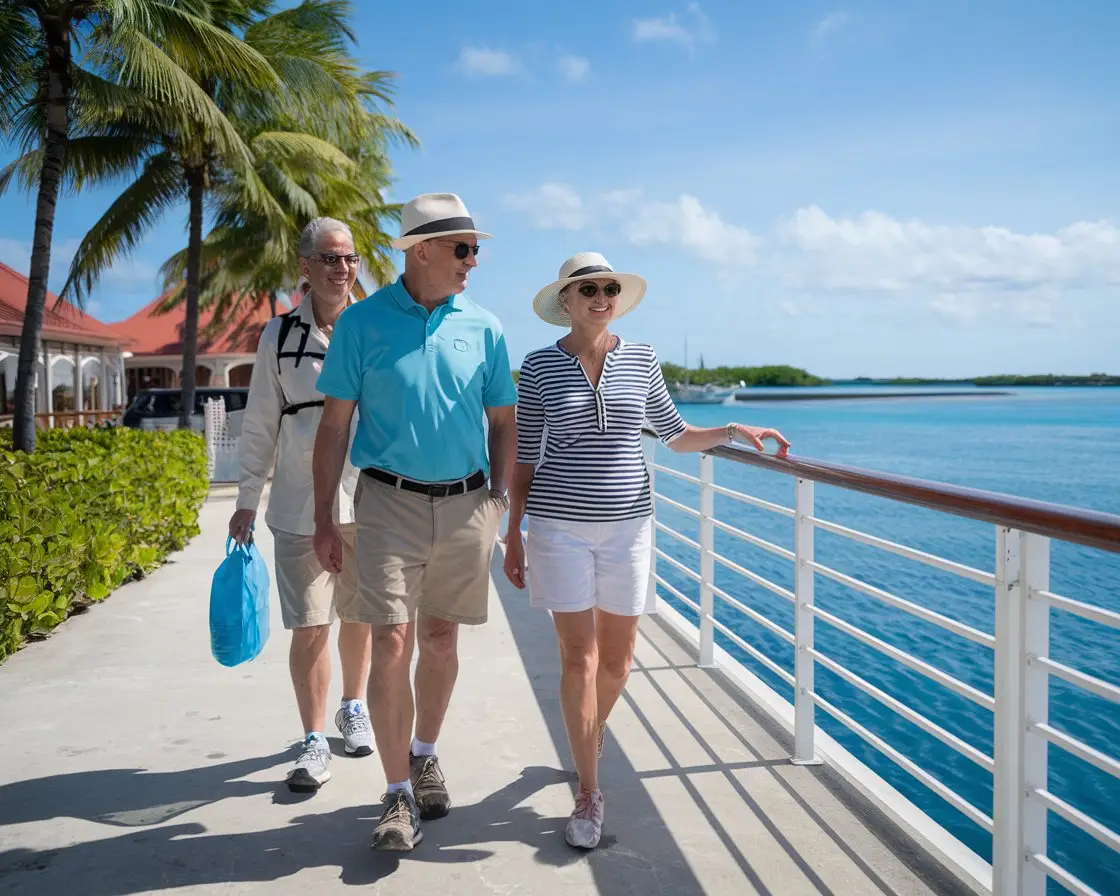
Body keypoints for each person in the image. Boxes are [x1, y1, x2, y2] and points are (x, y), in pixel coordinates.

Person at [502, 252, 790, 850]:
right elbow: (524, 457)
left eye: (609, 288)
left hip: (630, 526)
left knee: (618, 662)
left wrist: (736, 431)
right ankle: (588, 788)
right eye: (588, 289)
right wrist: (514, 533)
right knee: (578, 660)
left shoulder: (642, 360)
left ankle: (590, 732)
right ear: (567, 301)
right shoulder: (537, 368)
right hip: (559, 528)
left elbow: (676, 434)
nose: (601, 296)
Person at [312, 193, 518, 851]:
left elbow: (504, 421)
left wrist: (499, 500)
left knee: (441, 640)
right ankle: (396, 792)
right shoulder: (362, 324)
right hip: (388, 501)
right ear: (422, 249)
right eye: (464, 249)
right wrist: (323, 515)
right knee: (391, 642)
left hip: (466, 504)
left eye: (475, 250)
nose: (473, 262)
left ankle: (425, 753)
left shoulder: (484, 327)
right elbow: (335, 424)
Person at [229, 217, 374, 793]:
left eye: (350, 258)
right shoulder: (278, 336)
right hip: (296, 503)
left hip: (370, 499)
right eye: (331, 259)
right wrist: (245, 498)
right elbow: (261, 420)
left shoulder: (375, 328)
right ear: (306, 267)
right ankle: (314, 739)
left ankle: (353, 705)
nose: (343, 268)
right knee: (311, 625)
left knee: (362, 616)